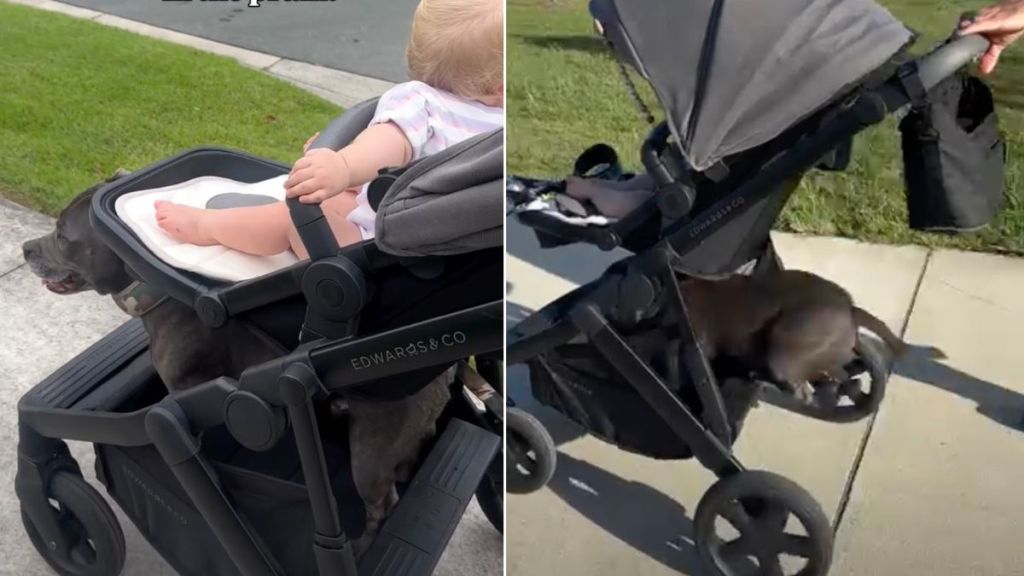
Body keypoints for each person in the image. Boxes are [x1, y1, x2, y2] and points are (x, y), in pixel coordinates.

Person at [565, 0, 1024, 219]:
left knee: (731, 140)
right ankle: (638, 190)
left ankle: (621, 200)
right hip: (823, 61)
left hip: (792, 84)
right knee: (732, 132)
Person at [154, 0, 504, 259]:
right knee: (342, 191)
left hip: (373, 248)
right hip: (450, 255)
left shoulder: (422, 103)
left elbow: (388, 144)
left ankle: (207, 228)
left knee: (291, 218)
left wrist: (343, 165)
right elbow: (422, 172)